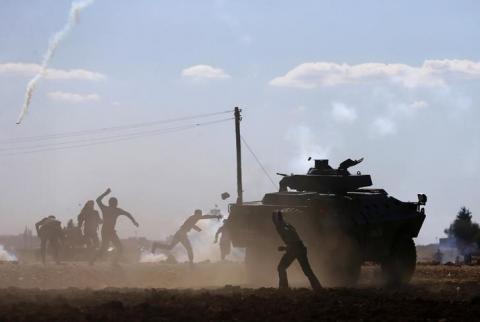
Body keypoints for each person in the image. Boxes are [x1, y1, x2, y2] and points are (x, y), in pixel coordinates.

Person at [272, 211, 322, 290]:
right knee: (307, 270)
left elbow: (292, 240)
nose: (273, 221)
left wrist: (284, 248)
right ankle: (317, 287)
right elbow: (294, 238)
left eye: (273, 218)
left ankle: (283, 287)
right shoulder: (287, 224)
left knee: (281, 267)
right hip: (300, 247)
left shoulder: (281, 227)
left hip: (295, 248)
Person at [151, 209, 222, 265]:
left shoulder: (192, 218)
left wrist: (197, 229)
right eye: (200, 214)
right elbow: (205, 217)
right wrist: (216, 216)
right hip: (182, 234)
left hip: (179, 233)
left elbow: (191, 224)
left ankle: (156, 245)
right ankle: (191, 264)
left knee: (170, 247)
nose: (201, 215)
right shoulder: (195, 217)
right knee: (189, 249)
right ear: (197, 214)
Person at [89, 188, 139, 265]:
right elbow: (127, 214)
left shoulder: (106, 209)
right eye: (116, 202)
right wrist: (134, 221)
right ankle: (111, 261)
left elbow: (98, 200)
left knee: (107, 248)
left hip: (107, 231)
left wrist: (106, 193)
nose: (116, 204)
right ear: (114, 203)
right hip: (108, 231)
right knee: (117, 248)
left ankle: (108, 261)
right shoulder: (115, 210)